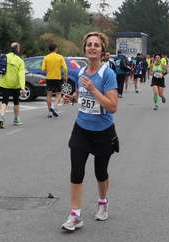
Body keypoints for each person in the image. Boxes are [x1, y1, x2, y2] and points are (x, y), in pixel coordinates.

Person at [61, 32, 119, 231]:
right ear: (84, 48)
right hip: (82, 128)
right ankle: (75, 215)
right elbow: (80, 93)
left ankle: (103, 202)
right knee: (76, 171)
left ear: (102, 50)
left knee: (100, 173)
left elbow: (112, 106)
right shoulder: (81, 71)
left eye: (96, 45)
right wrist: (73, 98)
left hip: (103, 130)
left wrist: (94, 89)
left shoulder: (107, 74)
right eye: (89, 45)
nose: (92, 48)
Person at [0, 42, 25, 128]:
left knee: (4, 101)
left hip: (4, 83)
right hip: (15, 84)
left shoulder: (4, 57)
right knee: (16, 102)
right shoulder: (19, 60)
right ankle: (16, 119)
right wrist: (22, 87)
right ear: (17, 49)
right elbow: (21, 75)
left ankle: (2, 117)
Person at [41, 43, 68, 118]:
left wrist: (48, 68)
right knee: (58, 95)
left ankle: (49, 112)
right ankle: (54, 106)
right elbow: (65, 68)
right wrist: (65, 77)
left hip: (49, 78)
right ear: (55, 48)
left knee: (49, 95)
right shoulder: (60, 57)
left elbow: (43, 68)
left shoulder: (46, 57)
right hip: (57, 78)